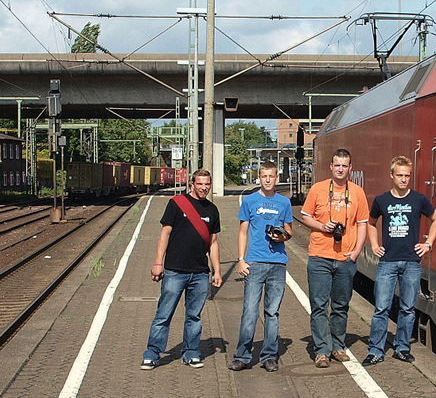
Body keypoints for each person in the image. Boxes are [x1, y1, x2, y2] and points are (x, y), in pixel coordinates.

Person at [362, 156, 436, 366]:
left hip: (412, 262)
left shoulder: (419, 199)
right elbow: (371, 223)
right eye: (400, 175)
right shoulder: (381, 200)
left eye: (407, 175)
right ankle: (376, 350)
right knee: (381, 308)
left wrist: (428, 243)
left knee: (407, 308)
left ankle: (402, 348)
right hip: (387, 261)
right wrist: (374, 245)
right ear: (392, 175)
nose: (404, 179)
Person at [141, 169, 222, 369]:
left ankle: (191, 352)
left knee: (194, 316)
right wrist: (158, 262)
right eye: (200, 184)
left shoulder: (212, 210)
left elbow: (213, 243)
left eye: (207, 184)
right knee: (164, 314)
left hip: (200, 272)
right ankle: (152, 353)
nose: (204, 187)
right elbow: (165, 234)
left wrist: (217, 271)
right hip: (175, 270)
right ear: (191, 184)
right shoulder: (176, 204)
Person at [300, 148, 368, 368]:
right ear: (331, 167)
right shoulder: (318, 189)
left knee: (340, 305)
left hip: (345, 258)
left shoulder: (357, 192)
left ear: (350, 168)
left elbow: (362, 224)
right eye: (337, 165)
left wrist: (356, 252)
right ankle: (322, 350)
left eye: (344, 165)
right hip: (320, 256)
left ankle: (337, 346)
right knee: (319, 305)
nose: (340, 169)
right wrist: (322, 226)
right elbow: (305, 216)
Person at [229, 162, 293, 373]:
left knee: (272, 313)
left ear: (276, 178)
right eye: (264, 176)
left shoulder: (284, 202)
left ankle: (269, 356)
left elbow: (289, 232)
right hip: (255, 262)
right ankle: (242, 356)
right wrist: (241, 259)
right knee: (249, 311)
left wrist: (281, 236)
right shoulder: (249, 201)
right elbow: (242, 232)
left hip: (278, 263)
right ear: (259, 177)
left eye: (271, 176)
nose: (267, 180)